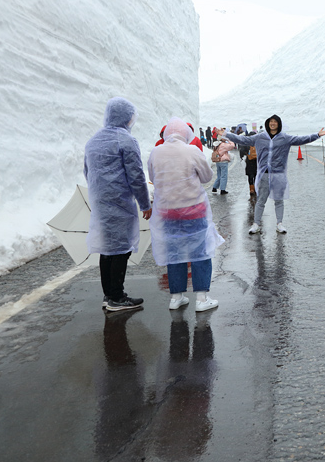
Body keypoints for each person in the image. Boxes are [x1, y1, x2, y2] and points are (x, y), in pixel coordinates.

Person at [147, 118, 224, 312]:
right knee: (200, 251)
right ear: (185, 133)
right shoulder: (192, 150)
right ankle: (201, 298)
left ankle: (176, 296)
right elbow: (207, 177)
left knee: (174, 252)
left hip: (167, 212)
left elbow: (152, 177)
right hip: (193, 210)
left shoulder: (156, 152)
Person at [84, 97, 152, 313]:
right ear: (126, 117)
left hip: (100, 201)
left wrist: (99, 192)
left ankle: (109, 295)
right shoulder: (126, 140)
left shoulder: (93, 141)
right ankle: (117, 297)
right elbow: (136, 176)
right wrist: (144, 203)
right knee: (121, 249)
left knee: (107, 248)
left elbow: (87, 172)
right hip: (120, 201)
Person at [224, 115, 325, 234]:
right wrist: (226, 134)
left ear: (279, 124)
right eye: (271, 122)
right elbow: (243, 140)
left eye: (275, 122)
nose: (272, 123)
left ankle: (279, 224)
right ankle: (256, 224)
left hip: (278, 174)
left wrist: (317, 135)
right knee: (261, 200)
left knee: (279, 200)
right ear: (267, 124)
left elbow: (301, 139)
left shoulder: (285, 138)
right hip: (264, 173)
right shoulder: (260, 137)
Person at [243, 131, 258, 198]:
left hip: (249, 162)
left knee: (250, 176)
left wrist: (245, 156)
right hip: (257, 162)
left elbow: (242, 151)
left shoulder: (246, 143)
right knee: (256, 175)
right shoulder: (258, 143)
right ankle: (256, 188)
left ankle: (251, 189)